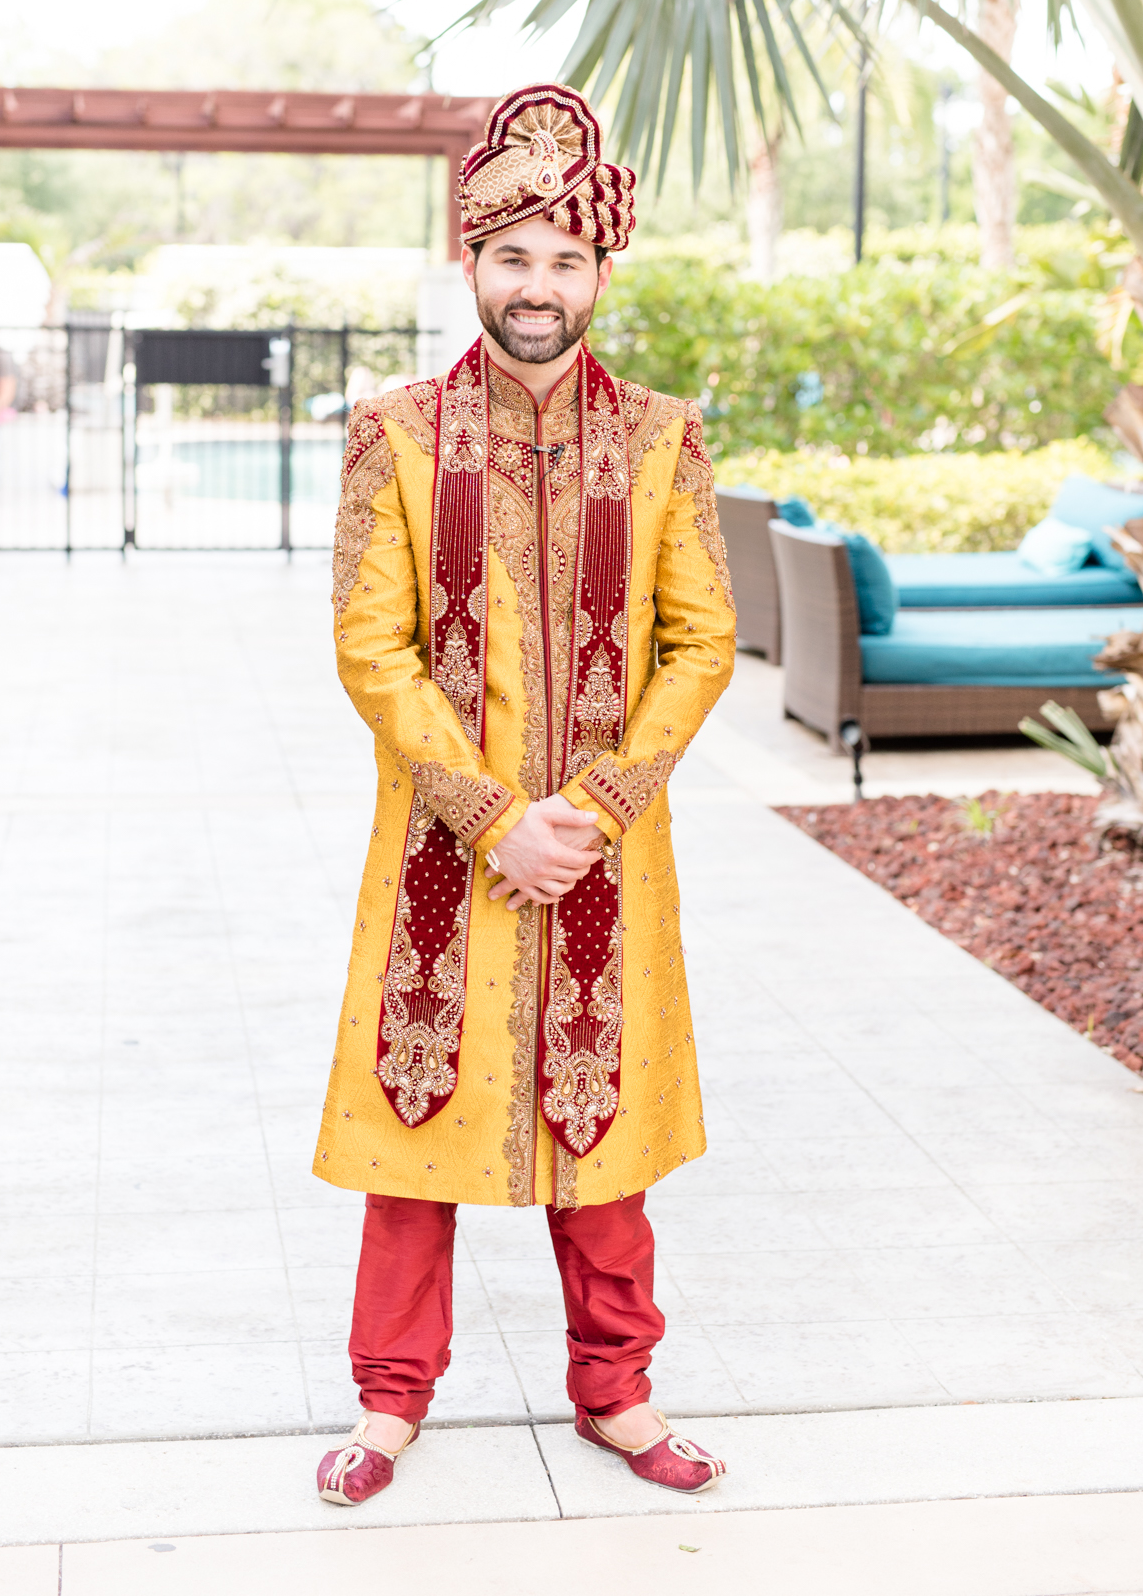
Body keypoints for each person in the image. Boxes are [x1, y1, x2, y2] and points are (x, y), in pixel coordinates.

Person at [315, 83, 736, 1508]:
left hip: (606, 855)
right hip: (451, 846)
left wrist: (599, 809)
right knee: (412, 1115)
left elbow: (705, 641)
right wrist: (497, 817)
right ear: (472, 266)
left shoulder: (667, 439)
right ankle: (388, 1404)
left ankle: (618, 1392)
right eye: (513, 258)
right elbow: (368, 645)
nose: (538, 287)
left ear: (600, 273)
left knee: (599, 1125)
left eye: (565, 260)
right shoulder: (397, 434)